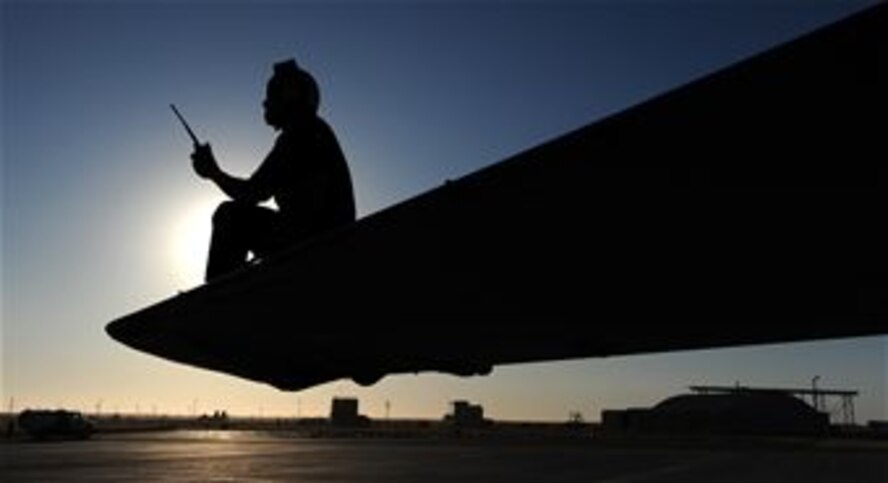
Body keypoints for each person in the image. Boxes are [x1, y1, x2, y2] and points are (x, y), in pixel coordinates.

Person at [191, 59, 356, 281]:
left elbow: (253, 192)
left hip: (316, 239)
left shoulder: (304, 133)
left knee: (231, 217)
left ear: (289, 96)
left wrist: (213, 172)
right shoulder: (310, 131)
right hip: (315, 235)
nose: (265, 103)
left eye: (271, 96)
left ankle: (218, 299)